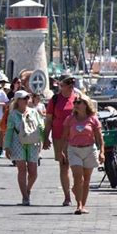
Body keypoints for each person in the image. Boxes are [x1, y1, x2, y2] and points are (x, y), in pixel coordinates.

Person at [61, 95, 104, 214]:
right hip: (74, 149)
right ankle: (78, 205)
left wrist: (102, 152)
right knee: (78, 177)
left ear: (86, 104)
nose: (76, 104)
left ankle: (83, 204)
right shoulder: (70, 119)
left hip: (89, 150)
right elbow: (64, 137)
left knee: (86, 180)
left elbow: (99, 137)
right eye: (75, 102)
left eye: (79, 102)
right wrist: (62, 151)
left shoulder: (93, 119)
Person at [4, 90, 45, 206]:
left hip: (32, 143)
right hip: (17, 143)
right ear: (18, 101)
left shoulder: (34, 112)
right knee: (22, 170)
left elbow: (41, 126)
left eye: (28, 98)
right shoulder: (13, 114)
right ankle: (25, 197)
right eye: (24, 98)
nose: (27, 100)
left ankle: (27, 189)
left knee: (33, 172)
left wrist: (44, 140)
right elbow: (9, 131)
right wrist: (6, 146)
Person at [43, 75, 78, 206]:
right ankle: (67, 196)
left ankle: (76, 189)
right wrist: (45, 137)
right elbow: (49, 121)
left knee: (76, 166)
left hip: (75, 137)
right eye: (63, 84)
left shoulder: (78, 98)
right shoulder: (55, 99)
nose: (68, 86)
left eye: (70, 84)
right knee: (64, 167)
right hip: (59, 137)